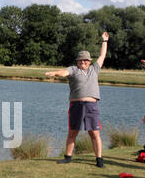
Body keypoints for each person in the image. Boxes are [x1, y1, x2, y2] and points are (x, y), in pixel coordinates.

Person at [45, 32, 109, 168]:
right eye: (81, 60)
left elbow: (102, 56)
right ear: (77, 61)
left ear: (89, 61)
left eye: (86, 60)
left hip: (92, 106)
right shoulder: (73, 70)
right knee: (73, 132)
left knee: (94, 133)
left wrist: (104, 41)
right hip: (76, 105)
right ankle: (68, 157)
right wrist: (54, 73)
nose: (83, 62)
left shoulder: (94, 69)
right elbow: (64, 72)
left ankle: (99, 160)